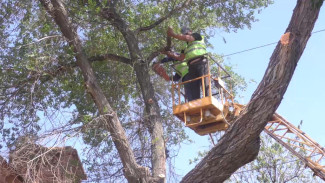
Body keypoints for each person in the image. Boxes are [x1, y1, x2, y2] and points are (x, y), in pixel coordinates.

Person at [162, 26, 209, 101]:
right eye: (184, 34)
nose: (186, 35)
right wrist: (169, 54)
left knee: (204, 82)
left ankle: (208, 100)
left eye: (187, 33)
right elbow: (181, 58)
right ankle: (195, 103)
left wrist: (173, 34)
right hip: (191, 66)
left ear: (191, 31)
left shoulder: (197, 35)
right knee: (193, 85)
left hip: (201, 62)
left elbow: (188, 38)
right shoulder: (185, 45)